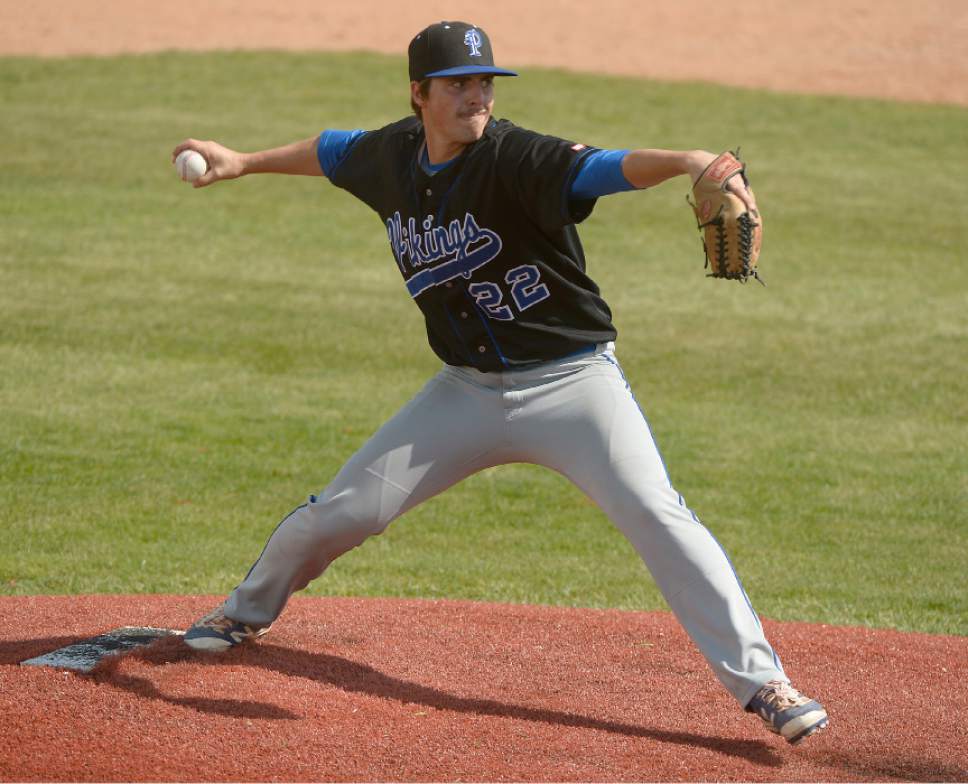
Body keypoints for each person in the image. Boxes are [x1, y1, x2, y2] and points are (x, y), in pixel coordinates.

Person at [171, 21, 828, 745]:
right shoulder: (390, 155)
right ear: (419, 94)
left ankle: (764, 682)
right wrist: (241, 162)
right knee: (347, 511)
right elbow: (330, 150)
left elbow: (603, 168)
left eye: (484, 81)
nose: (475, 95)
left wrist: (688, 161)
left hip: (574, 387)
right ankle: (244, 610)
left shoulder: (518, 156)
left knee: (656, 514)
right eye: (457, 84)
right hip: (465, 392)